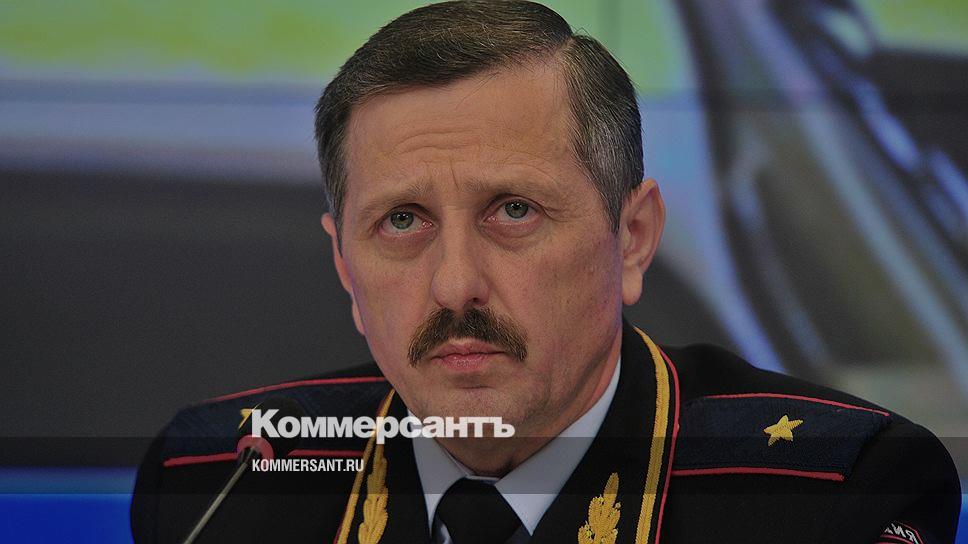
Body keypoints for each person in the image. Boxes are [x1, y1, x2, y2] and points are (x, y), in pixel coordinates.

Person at [130, 2, 961, 543]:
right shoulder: (217, 485)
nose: (455, 285)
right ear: (345, 268)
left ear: (632, 238)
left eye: (514, 210)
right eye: (403, 221)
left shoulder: (832, 492)